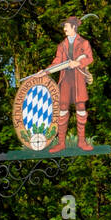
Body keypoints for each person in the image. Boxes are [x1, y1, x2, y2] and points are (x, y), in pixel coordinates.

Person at [38, 16, 94, 153]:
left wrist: (79, 63)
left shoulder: (84, 42)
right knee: (62, 109)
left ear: (74, 27)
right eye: (64, 27)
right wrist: (45, 71)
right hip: (65, 80)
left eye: (66, 27)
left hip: (79, 79)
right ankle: (61, 143)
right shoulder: (61, 45)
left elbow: (89, 58)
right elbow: (57, 61)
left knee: (81, 108)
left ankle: (82, 142)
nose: (64, 29)